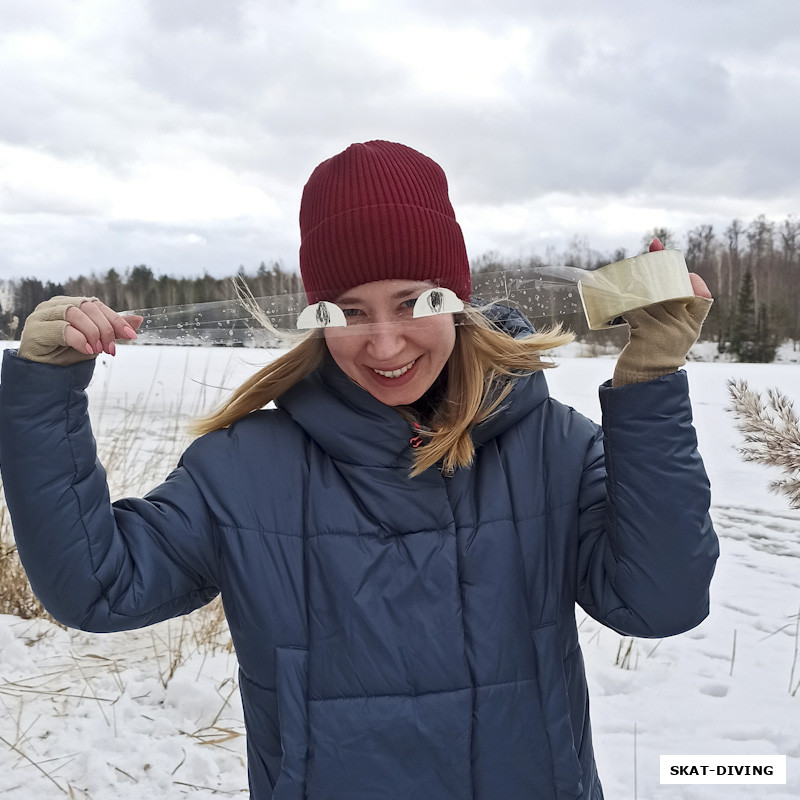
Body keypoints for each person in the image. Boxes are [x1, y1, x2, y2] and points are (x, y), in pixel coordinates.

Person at [0, 140, 718, 800]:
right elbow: (97, 587)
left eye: (414, 303)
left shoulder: (550, 450)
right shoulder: (245, 472)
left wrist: (650, 383)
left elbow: (660, 602)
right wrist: (42, 394)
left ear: (457, 300)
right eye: (349, 311)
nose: (383, 342)